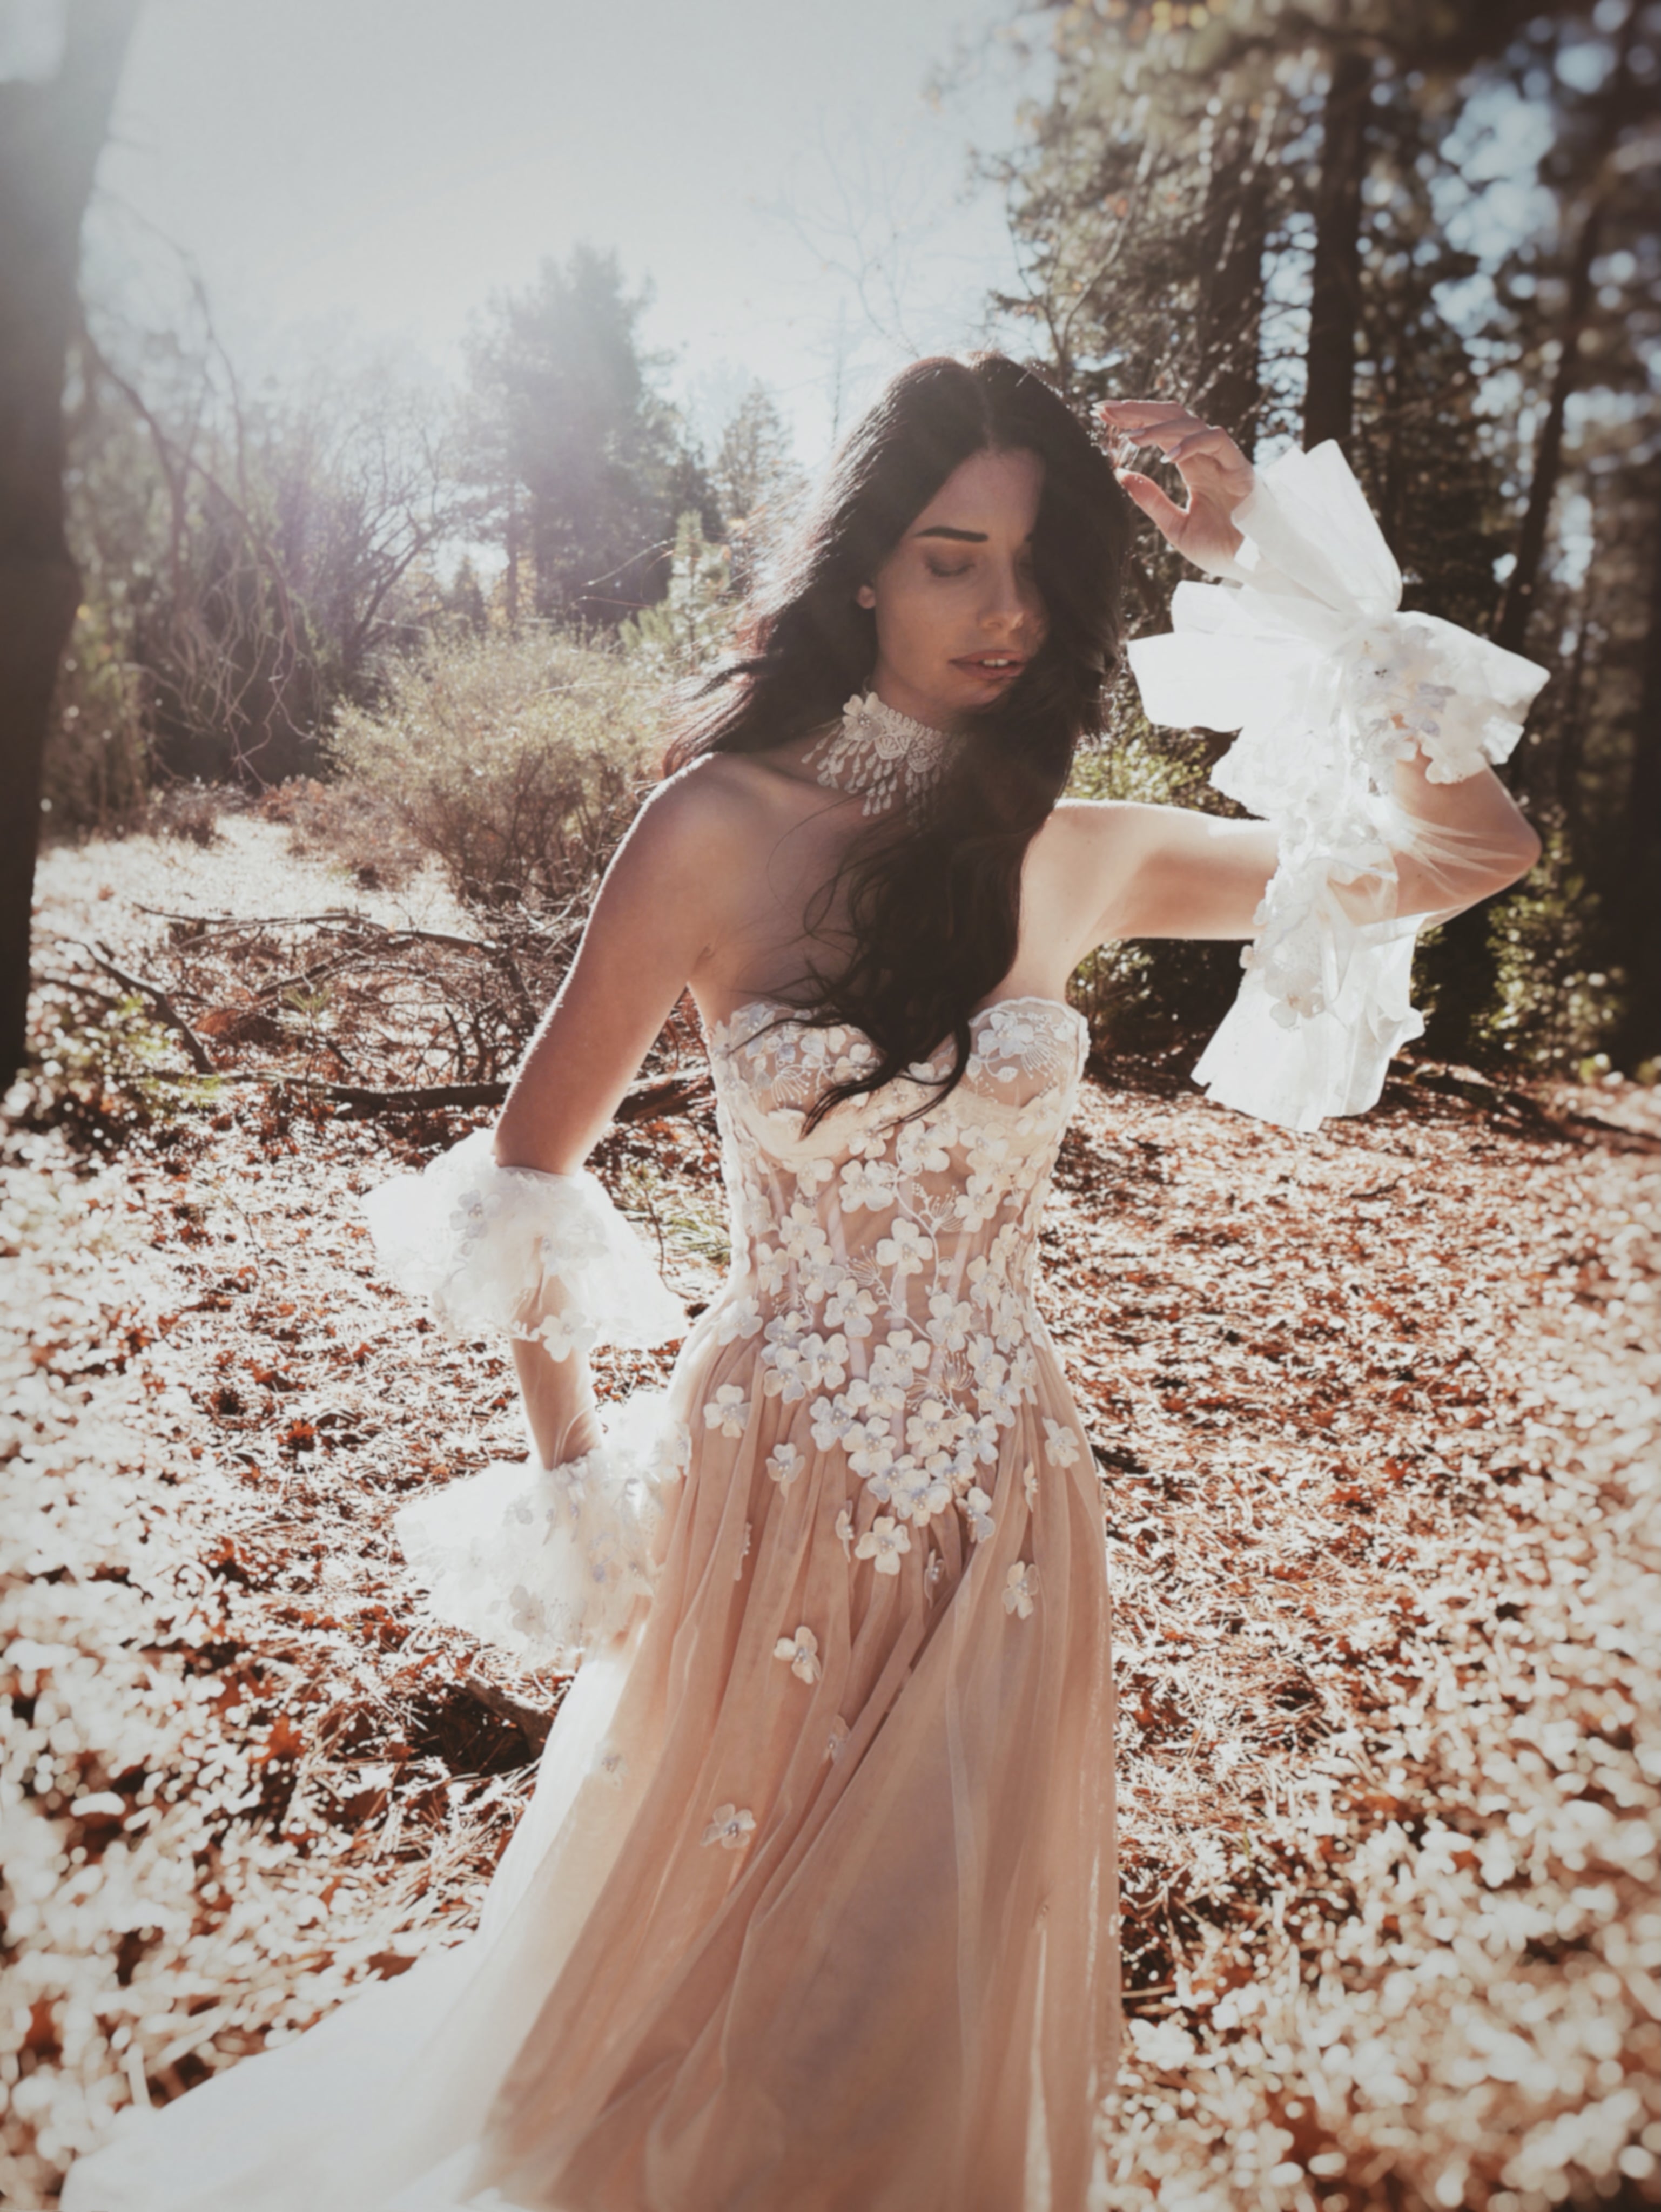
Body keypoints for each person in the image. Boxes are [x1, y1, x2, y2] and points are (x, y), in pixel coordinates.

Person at [63, 355, 1545, 2212]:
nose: (1000, 611)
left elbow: (1466, 853)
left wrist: (1286, 573)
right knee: (697, 2020)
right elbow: (529, 1172)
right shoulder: (715, 830)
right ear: (863, 574)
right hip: (767, 1488)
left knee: (910, 2030)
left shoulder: (1076, 858)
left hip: (1007, 1503)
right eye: (949, 559)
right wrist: (573, 1485)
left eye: (1032, 567)